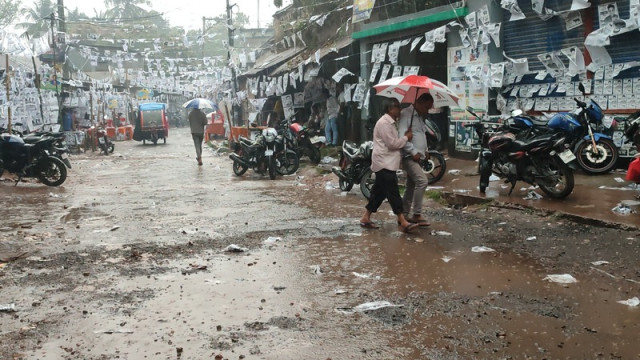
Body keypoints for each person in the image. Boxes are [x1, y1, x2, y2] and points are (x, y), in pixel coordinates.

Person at [359, 98, 419, 234]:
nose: (400, 109)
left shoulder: (392, 123)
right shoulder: (384, 123)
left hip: (387, 162)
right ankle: (402, 221)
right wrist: (406, 138)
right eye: (397, 107)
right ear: (390, 109)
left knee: (378, 193)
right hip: (384, 162)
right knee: (393, 193)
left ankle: (366, 217)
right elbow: (392, 144)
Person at [397, 93, 433, 227]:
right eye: (426, 107)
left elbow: (421, 134)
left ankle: (404, 215)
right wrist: (413, 151)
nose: (427, 110)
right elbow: (402, 136)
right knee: (422, 181)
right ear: (418, 102)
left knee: (411, 186)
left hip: (418, 156)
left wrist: (426, 150)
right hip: (409, 156)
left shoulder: (419, 117)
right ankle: (417, 214)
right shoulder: (406, 114)